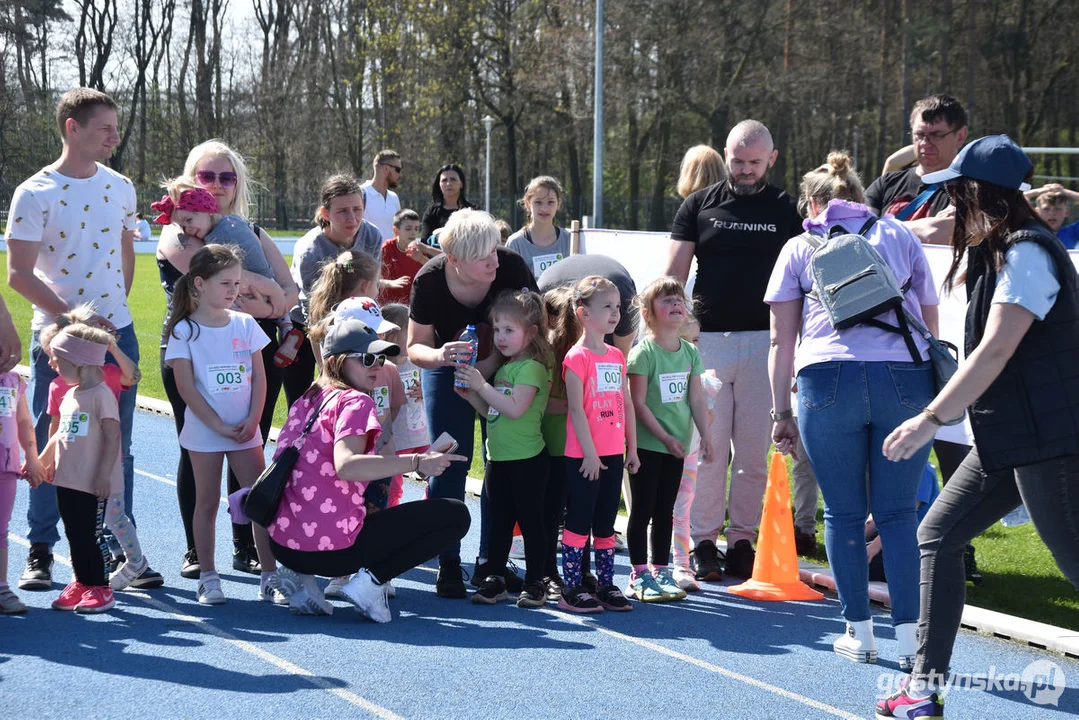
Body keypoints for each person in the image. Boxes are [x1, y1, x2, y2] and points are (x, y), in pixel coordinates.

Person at [876, 136, 1079, 720]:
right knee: (937, 535)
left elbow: (993, 353)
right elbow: (931, 230)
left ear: (978, 197)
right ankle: (924, 687)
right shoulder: (1001, 241)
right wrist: (872, 225)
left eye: (953, 199)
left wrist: (929, 418)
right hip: (1012, 438)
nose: (944, 211)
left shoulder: (1027, 254)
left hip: (1047, 441)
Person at [767, 151, 939, 668]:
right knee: (897, 514)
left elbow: (781, 340)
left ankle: (858, 632)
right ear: (861, 197)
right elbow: (930, 324)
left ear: (811, 203)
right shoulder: (900, 236)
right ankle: (911, 640)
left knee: (842, 514)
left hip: (827, 378)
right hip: (903, 381)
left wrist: (781, 412)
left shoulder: (798, 247)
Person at [4, 87, 162, 591]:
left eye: (116, 128)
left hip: (118, 338)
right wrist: (73, 317)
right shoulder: (34, 192)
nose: (116, 137)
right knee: (57, 443)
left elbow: (124, 255)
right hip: (60, 342)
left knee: (120, 444)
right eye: (105, 129)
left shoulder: (121, 187)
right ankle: (41, 550)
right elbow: (18, 275)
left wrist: (111, 316)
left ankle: (123, 551)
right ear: (72, 128)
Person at [664, 119, 802, 582]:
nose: (744, 170)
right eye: (737, 161)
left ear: (772, 159)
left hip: (769, 344)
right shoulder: (699, 205)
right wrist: (674, 329)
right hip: (709, 344)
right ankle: (704, 541)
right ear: (725, 154)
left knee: (752, 453)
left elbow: (805, 278)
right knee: (707, 448)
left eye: (753, 163)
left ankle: (742, 540)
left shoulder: (788, 209)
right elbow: (673, 278)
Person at [157, 139, 298, 580]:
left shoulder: (251, 231)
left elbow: (290, 292)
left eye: (226, 177)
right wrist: (266, 295)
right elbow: (230, 292)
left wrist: (276, 301)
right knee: (195, 449)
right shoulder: (177, 231)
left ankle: (246, 546)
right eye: (207, 176)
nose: (217, 185)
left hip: (253, 350)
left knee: (247, 439)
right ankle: (197, 551)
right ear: (189, 180)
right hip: (191, 355)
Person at [267, 318, 470, 622]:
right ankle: (370, 583)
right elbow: (347, 466)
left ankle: (304, 580)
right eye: (366, 359)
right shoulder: (356, 401)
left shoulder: (307, 399)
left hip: (284, 545)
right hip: (335, 552)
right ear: (336, 362)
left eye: (379, 358)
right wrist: (416, 462)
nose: (376, 366)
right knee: (455, 516)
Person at [407, 208, 537, 598]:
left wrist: (489, 366)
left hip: (505, 367)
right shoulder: (429, 280)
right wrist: (443, 356)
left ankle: (490, 563)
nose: (495, 262)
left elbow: (534, 328)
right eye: (484, 258)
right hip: (448, 368)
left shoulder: (511, 268)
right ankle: (447, 560)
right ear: (454, 260)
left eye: (495, 252)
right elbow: (415, 347)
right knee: (449, 460)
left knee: (501, 464)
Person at [164, 245, 283, 605]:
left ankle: (270, 575)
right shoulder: (185, 331)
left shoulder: (246, 324)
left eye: (237, 283)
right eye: (226, 283)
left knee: (259, 501)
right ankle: (208, 577)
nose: (234, 291)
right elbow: (186, 387)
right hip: (204, 432)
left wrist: (253, 420)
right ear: (199, 283)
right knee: (206, 504)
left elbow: (260, 379)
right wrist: (216, 424)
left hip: (245, 431)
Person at [455, 290, 552, 608]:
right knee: (498, 522)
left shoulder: (532, 368)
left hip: (527, 461)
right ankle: (495, 576)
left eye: (509, 330)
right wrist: (471, 396)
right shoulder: (505, 368)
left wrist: (481, 384)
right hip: (498, 459)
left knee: (531, 522)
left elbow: (514, 409)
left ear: (532, 332)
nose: (500, 337)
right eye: (497, 330)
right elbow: (493, 412)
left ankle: (536, 580)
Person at [626, 277, 713, 602]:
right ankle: (638, 575)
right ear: (648, 314)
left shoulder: (690, 353)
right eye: (666, 300)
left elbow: (697, 400)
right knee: (643, 509)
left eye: (679, 299)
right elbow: (638, 404)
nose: (676, 304)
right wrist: (664, 436)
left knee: (665, 510)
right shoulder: (643, 355)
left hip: (675, 448)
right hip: (649, 447)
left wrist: (706, 436)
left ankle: (661, 570)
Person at [556, 276, 639, 613]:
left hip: (612, 454)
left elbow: (626, 402)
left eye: (617, 307)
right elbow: (576, 409)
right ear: (583, 313)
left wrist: (631, 447)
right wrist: (589, 454)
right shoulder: (577, 358)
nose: (615, 313)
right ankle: (571, 588)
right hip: (583, 456)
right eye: (607, 306)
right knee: (579, 520)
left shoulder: (617, 356)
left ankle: (606, 584)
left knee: (606, 521)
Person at [36, 324, 130, 613]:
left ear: (78, 361)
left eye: (58, 360)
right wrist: (43, 461)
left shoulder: (101, 395)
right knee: (74, 531)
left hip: (92, 480)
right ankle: (82, 581)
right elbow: (59, 434)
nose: (54, 366)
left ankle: (100, 587)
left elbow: (114, 436)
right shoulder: (70, 394)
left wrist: (103, 474)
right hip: (69, 478)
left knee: (90, 533)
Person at [152, 181, 298, 358]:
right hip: (266, 289)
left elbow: (224, 275)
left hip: (250, 296)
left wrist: (268, 300)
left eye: (189, 221)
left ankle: (286, 333)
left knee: (231, 303)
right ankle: (288, 331)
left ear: (205, 210)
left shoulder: (215, 237)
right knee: (279, 315)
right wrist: (271, 298)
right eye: (183, 226)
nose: (188, 229)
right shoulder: (237, 222)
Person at [284, 174, 384, 407]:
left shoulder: (371, 235)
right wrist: (325, 371)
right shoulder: (310, 250)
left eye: (357, 209)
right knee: (305, 401)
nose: (353, 218)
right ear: (325, 213)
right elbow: (316, 320)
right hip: (308, 327)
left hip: (355, 322)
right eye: (343, 211)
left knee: (356, 398)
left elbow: (371, 291)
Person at [0, 368, 45, 613]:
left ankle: (1, 589)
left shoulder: (13, 380)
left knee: (0, 529)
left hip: (4, 466)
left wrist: (32, 456)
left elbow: (24, 420)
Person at [537, 254, 639, 357]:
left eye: (617, 306)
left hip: (617, 282)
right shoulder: (544, 299)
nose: (615, 312)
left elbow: (620, 362)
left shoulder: (620, 298)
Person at [381, 303, 429, 509]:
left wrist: (424, 392)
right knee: (393, 484)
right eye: (408, 331)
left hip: (421, 434)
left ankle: (428, 508)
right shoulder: (382, 367)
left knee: (436, 473)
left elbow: (429, 387)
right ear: (392, 337)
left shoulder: (415, 361)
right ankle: (391, 512)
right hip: (398, 438)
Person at [506, 176, 572, 279]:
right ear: (528, 203)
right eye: (538, 202)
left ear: (558, 204)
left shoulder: (570, 239)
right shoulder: (515, 243)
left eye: (550, 202)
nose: (544, 208)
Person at [380, 209, 431, 305]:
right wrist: (391, 283)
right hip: (389, 306)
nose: (413, 233)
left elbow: (433, 270)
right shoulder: (386, 249)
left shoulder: (419, 249)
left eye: (416, 229)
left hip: (414, 305)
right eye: (408, 229)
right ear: (395, 230)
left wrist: (421, 259)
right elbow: (374, 280)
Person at [421, 163, 474, 243]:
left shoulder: (473, 211)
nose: (448, 184)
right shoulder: (431, 213)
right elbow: (425, 243)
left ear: (461, 184)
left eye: (453, 179)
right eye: (444, 180)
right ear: (439, 184)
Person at [362, 149, 403, 241]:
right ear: (385, 168)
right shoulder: (360, 194)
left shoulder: (394, 197)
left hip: (391, 255)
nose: (401, 175)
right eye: (398, 170)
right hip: (366, 255)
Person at [1025, 184, 1079, 248]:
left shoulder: (1072, 232)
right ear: (1037, 211)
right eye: (1046, 209)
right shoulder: (1031, 230)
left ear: (1066, 212)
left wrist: (1065, 192)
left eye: (1057, 209)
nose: (1052, 213)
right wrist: (1040, 191)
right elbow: (1022, 197)